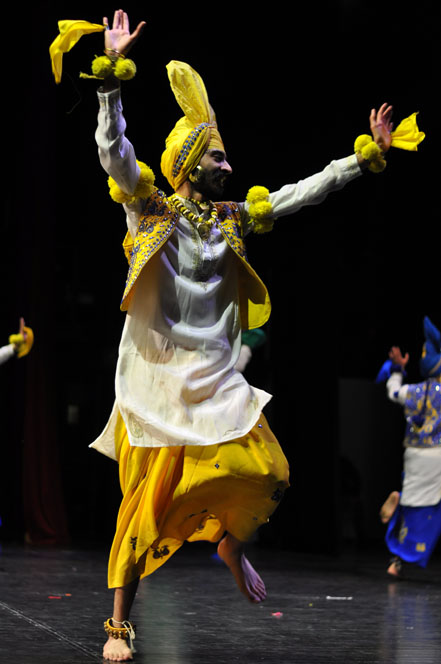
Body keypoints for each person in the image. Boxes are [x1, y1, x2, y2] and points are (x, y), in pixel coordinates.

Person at [84, 9, 414, 661]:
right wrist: (111, 85)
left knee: (268, 469)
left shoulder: (230, 219)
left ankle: (229, 544)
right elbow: (114, 153)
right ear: (185, 162)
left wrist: (359, 157)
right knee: (143, 507)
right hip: (156, 382)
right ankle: (119, 623)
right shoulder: (149, 207)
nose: (228, 166)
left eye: (226, 155)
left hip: (212, 379)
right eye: (216, 155)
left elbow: (296, 196)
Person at [376, 316, 441, 578]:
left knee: (415, 500)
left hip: (413, 454)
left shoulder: (413, 391)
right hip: (437, 455)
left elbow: (393, 391)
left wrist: (396, 368)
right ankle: (401, 505)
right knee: (431, 508)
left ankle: (396, 561)